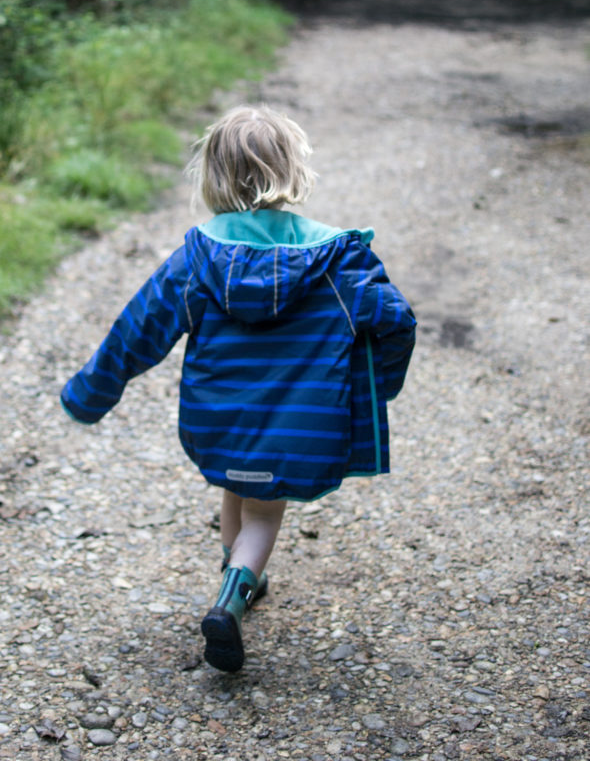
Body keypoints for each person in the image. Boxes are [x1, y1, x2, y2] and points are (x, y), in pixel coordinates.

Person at [60, 105, 416, 673]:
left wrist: (89, 394)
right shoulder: (340, 260)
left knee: (238, 480)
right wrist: (374, 388)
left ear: (212, 179)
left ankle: (240, 573)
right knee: (263, 513)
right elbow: (396, 323)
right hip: (296, 430)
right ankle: (234, 594)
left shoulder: (196, 257)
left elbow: (137, 331)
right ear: (291, 171)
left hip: (216, 423)